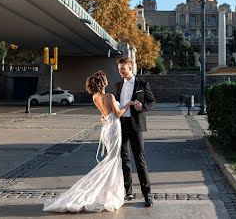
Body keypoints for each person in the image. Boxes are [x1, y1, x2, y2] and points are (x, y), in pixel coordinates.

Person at [43, 71, 133, 213]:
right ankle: (103, 192)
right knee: (113, 160)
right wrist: (128, 103)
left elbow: (104, 116)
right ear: (103, 82)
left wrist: (105, 118)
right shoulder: (109, 96)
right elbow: (118, 113)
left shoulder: (95, 97)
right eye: (106, 79)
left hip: (106, 130)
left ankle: (106, 192)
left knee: (112, 160)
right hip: (114, 129)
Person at [104, 57, 155, 207]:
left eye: (123, 69)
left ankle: (147, 194)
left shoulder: (142, 84)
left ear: (130, 68)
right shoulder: (117, 86)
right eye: (119, 69)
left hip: (136, 125)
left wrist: (142, 108)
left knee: (139, 159)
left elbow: (152, 102)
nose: (120, 72)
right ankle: (128, 191)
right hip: (121, 125)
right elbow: (114, 107)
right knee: (124, 159)